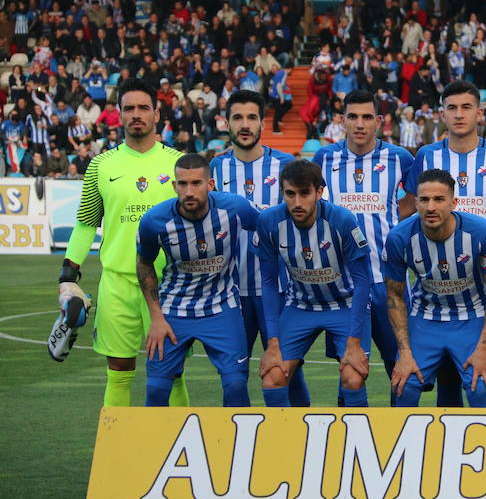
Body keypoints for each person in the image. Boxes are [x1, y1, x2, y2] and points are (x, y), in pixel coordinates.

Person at [57, 79, 189, 407]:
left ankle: (180, 452)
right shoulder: (101, 165)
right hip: (117, 283)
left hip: (168, 285)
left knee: (172, 372)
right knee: (118, 370)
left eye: (143, 108)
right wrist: (67, 276)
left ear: (157, 114)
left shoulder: (179, 163)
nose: (136, 114)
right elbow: (87, 222)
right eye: (128, 108)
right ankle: (117, 453)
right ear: (119, 115)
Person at [412, 79, 486, 407]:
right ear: (442, 113)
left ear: (480, 113)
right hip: (437, 284)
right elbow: (413, 207)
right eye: (452, 108)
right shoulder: (426, 155)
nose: (459, 114)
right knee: (447, 380)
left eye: (466, 107)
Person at [313, 89, 417, 405]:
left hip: (390, 282)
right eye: (353, 117)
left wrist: (388, 222)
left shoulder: (400, 158)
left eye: (367, 117)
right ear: (342, 121)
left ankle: (402, 438)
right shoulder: (324, 158)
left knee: (401, 366)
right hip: (344, 284)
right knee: (351, 371)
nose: (360, 124)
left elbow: (412, 201)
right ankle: (353, 443)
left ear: (379, 121)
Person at [209, 90, 309, 404]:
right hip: (229, 292)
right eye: (237, 117)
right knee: (234, 380)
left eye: (252, 117)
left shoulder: (285, 165)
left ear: (262, 123)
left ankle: (301, 440)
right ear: (226, 122)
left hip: (280, 290)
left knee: (287, 374)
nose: (245, 124)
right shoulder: (213, 169)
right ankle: (239, 449)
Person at [136, 154, 258, 407]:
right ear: (174, 186)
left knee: (235, 384)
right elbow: (144, 264)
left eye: (196, 183)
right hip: (173, 309)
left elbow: (268, 227)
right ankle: (156, 445)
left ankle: (237, 445)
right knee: (156, 388)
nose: (189, 191)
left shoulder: (235, 208)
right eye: (182, 184)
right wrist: (156, 317)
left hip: (222, 306)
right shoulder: (154, 221)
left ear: (210, 185)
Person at [383, 169, 486, 408]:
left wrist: (483, 348)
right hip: (426, 317)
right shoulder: (399, 238)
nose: (431, 207)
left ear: (453, 203)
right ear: (415, 201)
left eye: (439, 199)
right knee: (404, 386)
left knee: (480, 388)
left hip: (474, 316)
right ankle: (407, 445)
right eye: (424, 199)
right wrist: (405, 353)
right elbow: (394, 296)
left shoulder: (481, 232)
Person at [254, 160, 372, 407]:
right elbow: (267, 281)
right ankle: (286, 442)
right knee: (273, 377)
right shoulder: (269, 222)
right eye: (290, 194)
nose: (297, 202)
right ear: (282, 193)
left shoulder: (342, 220)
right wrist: (272, 342)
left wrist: (354, 343)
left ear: (319, 192)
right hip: (301, 305)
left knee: (353, 376)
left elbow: (362, 282)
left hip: (345, 304)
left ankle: (355, 440)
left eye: (305, 193)